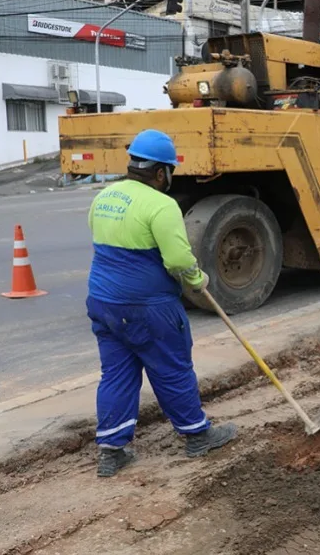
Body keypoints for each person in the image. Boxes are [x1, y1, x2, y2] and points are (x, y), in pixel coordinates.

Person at [87, 129, 237, 477]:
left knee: (116, 373)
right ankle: (197, 436)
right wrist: (199, 281)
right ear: (160, 172)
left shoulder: (104, 196)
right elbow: (178, 260)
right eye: (169, 170)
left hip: (103, 303)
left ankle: (112, 451)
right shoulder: (161, 205)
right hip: (147, 307)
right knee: (172, 369)